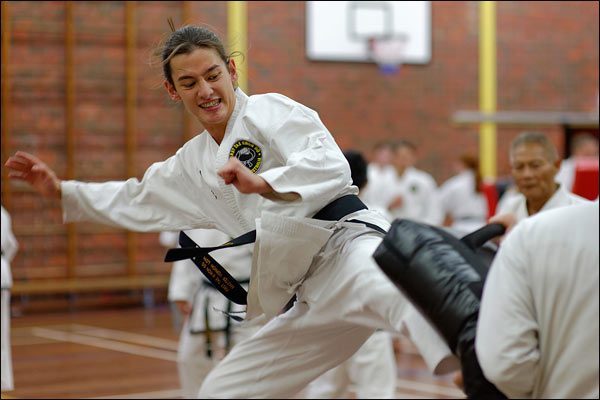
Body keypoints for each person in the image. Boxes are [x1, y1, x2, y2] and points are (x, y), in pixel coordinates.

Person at [5, 24, 457, 398]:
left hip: (345, 243)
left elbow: (327, 163)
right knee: (223, 390)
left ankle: (478, 361)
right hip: (308, 295)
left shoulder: (270, 112)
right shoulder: (190, 165)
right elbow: (135, 198)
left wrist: (265, 183)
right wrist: (63, 190)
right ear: (172, 90)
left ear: (232, 71)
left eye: (212, 74)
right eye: (188, 82)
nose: (205, 89)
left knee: (398, 292)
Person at [476, 202, 599, 399]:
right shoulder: (526, 232)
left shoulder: (528, 237)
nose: (528, 175)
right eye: (520, 168)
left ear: (557, 169)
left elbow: (505, 364)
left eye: (535, 167)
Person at [305, 150, 397, 399]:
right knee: (376, 392)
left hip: (327, 315)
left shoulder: (315, 214)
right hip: (369, 318)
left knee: (325, 390)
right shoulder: (380, 216)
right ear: (366, 182)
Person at [159, 228, 253, 399]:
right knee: (189, 359)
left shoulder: (254, 209)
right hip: (205, 297)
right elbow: (186, 247)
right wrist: (181, 292)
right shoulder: (201, 208)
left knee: (246, 365)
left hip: (246, 298)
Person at [494, 131, 588, 221]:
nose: (527, 175)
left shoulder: (583, 212)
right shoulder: (509, 208)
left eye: (535, 165)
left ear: (557, 166)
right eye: (519, 167)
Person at [385, 140, 444, 226]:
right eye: (401, 156)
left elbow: (434, 209)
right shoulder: (381, 179)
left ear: (414, 157)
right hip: (387, 227)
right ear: (393, 157)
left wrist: (425, 228)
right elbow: (373, 205)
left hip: (416, 229)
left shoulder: (424, 180)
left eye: (408, 155)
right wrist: (388, 206)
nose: (404, 159)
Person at [439, 153, 488, 236]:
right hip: (482, 226)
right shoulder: (485, 182)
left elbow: (440, 204)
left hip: (460, 227)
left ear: (462, 164)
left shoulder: (454, 184)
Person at [1, 205, 19, 393]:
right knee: (2, 331)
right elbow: (12, 245)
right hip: (3, 273)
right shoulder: (3, 213)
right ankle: (3, 380)